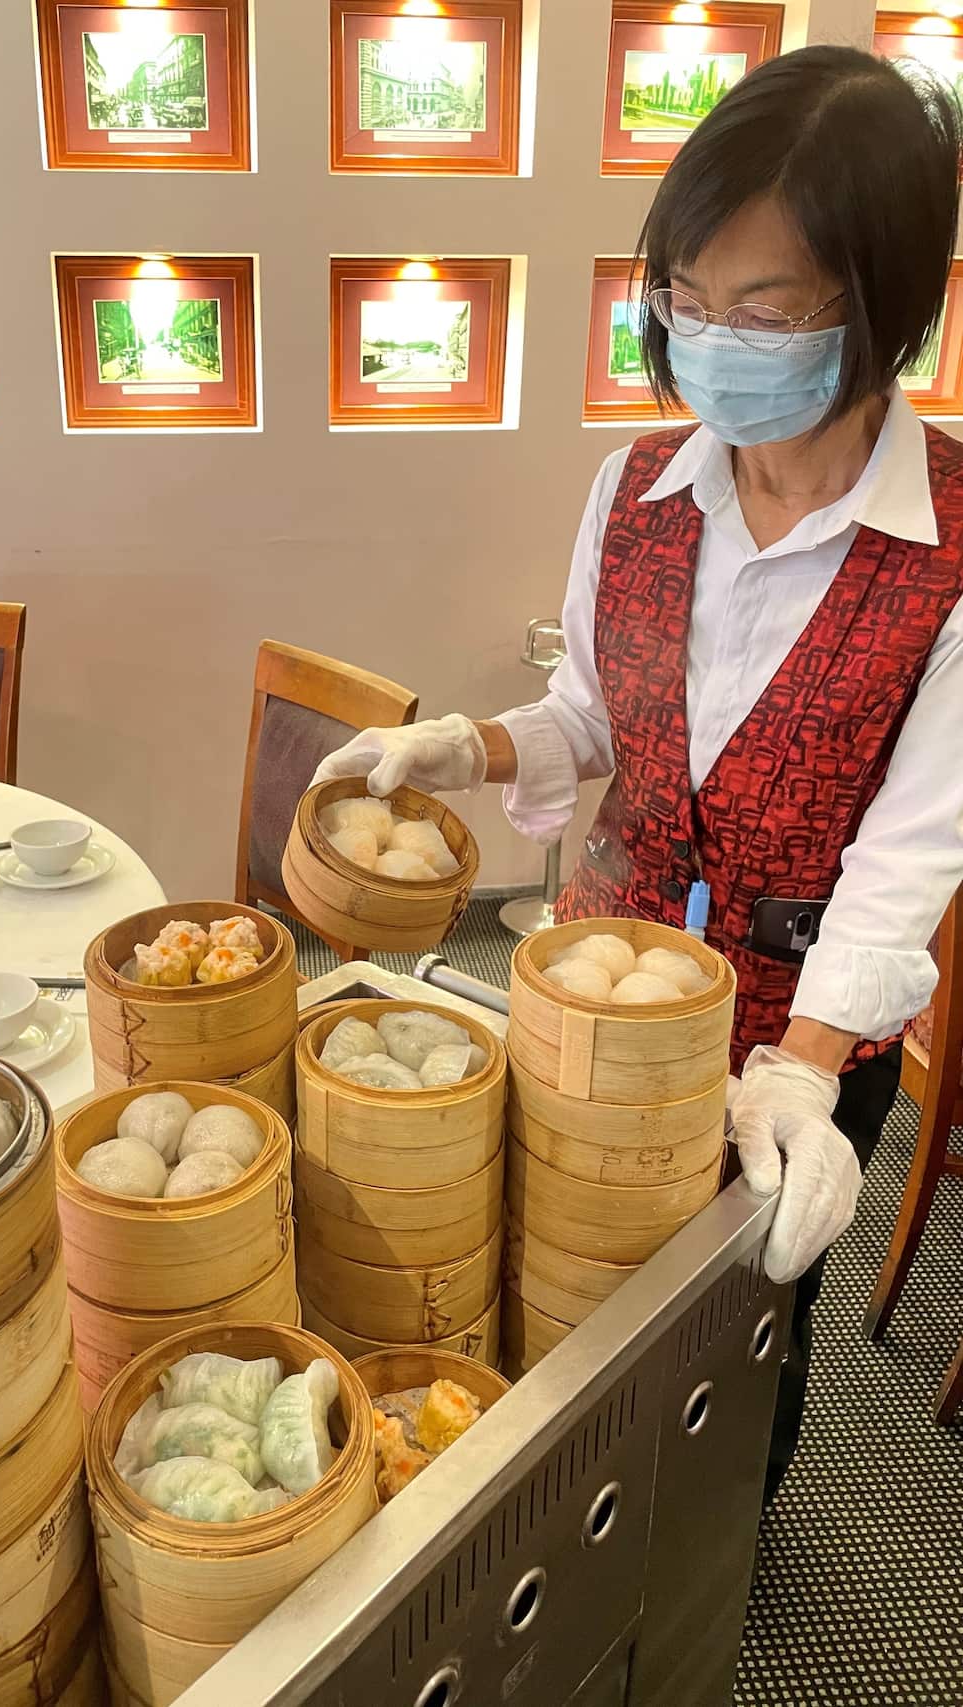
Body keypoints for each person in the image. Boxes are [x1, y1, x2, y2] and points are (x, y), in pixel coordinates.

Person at [314, 46, 963, 1502]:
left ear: (881, 307)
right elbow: (595, 721)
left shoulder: (953, 549)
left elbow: (910, 856)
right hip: (594, 984)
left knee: (744, 1343)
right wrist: (463, 748)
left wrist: (802, 1073)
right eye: (680, 296)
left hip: (796, 1039)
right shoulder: (640, 489)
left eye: (760, 308)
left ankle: (721, 1557)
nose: (706, 338)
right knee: (570, 1275)